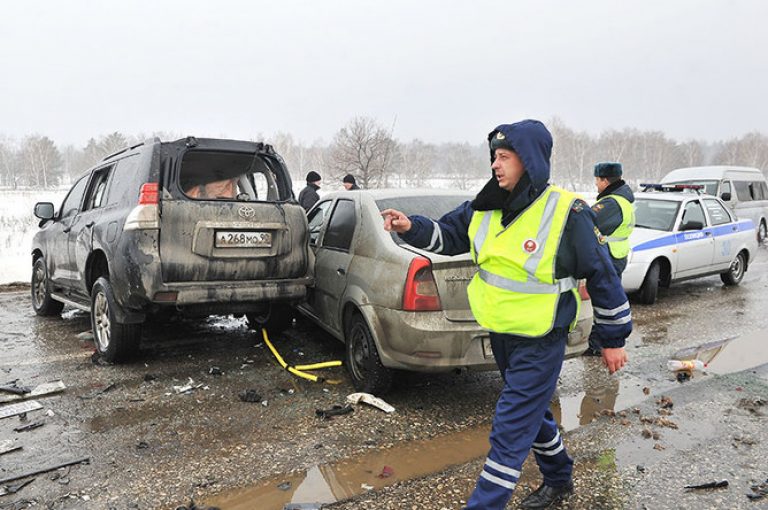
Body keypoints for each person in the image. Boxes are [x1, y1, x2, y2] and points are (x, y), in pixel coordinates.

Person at [381, 120, 631, 510]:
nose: (495, 165)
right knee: (532, 415)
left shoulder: (569, 212)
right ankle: (560, 478)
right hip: (500, 333)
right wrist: (411, 226)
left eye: (504, 157)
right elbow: (448, 235)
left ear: (528, 161)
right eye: (494, 158)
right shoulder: (486, 206)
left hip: (542, 337)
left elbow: (602, 274)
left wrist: (614, 339)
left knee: (511, 427)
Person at [584, 162, 635, 356]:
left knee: (603, 299)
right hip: (617, 253)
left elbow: (587, 224)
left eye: (597, 180)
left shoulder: (611, 203)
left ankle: (597, 344)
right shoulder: (623, 199)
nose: (596, 184)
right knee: (608, 297)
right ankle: (598, 342)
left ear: (605, 180)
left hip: (609, 256)